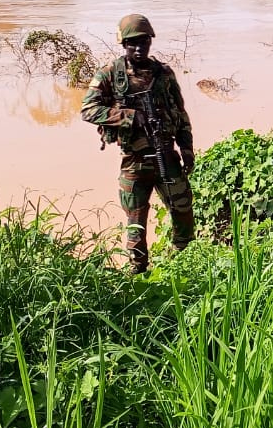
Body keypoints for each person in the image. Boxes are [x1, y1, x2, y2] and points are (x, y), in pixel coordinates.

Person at [81, 14, 196, 272]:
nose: (138, 48)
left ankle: (182, 266)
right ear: (123, 44)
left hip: (167, 157)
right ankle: (138, 271)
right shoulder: (111, 74)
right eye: (132, 43)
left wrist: (187, 148)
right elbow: (88, 109)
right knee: (136, 223)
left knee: (183, 213)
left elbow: (180, 112)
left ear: (150, 41)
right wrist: (130, 117)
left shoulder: (164, 74)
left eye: (143, 42)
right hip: (134, 161)